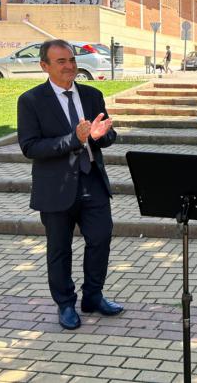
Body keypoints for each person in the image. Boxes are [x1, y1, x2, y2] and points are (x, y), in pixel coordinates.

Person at [17, 39, 123, 331]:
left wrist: (101, 135)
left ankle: (93, 296)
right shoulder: (31, 101)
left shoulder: (92, 94)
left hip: (92, 181)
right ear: (44, 66)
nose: (69, 66)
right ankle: (65, 304)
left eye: (72, 60)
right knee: (60, 249)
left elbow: (107, 136)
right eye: (61, 61)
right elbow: (30, 147)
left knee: (101, 239)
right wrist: (74, 139)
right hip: (56, 187)